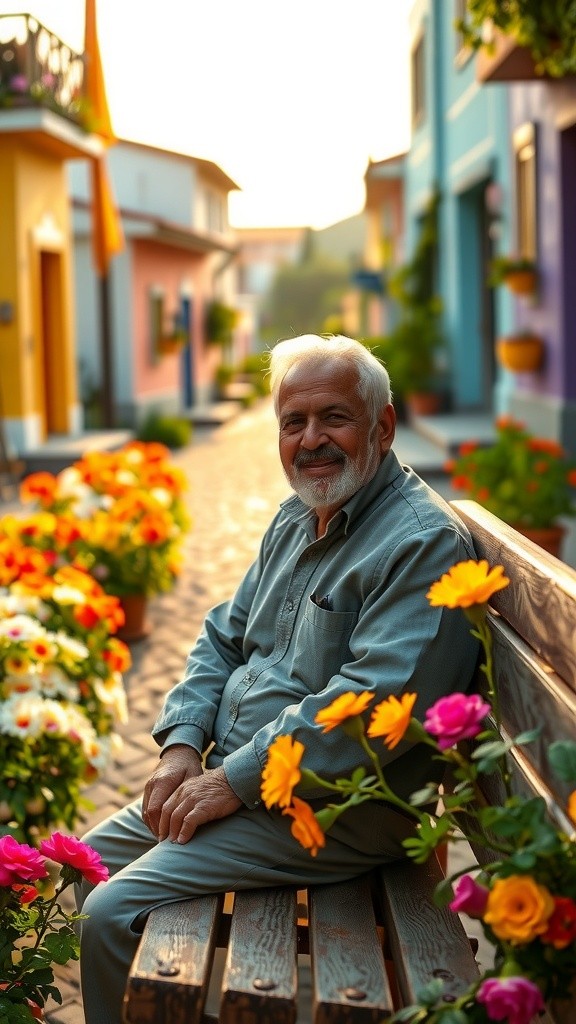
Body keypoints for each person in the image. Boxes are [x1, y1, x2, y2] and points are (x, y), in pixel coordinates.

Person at [77, 334, 479, 1024]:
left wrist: (229, 781)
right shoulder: (297, 516)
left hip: (333, 809)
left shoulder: (422, 542)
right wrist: (181, 745)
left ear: (382, 426)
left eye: (334, 417)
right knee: (69, 863)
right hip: (241, 784)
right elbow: (219, 637)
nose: (311, 439)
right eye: (294, 422)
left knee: (112, 910)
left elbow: (373, 704)